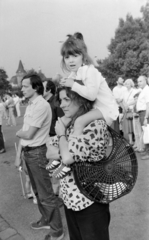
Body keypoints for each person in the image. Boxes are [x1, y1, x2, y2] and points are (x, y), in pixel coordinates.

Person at [47, 32, 118, 177]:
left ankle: (68, 161)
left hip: (105, 109)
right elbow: (70, 90)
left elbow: (91, 94)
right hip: (94, 108)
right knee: (64, 121)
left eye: (75, 56)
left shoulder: (90, 71)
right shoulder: (76, 73)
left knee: (78, 122)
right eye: (67, 57)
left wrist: (72, 84)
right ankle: (59, 156)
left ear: (83, 57)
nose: (71, 60)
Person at [47, 86, 110, 240]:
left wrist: (61, 136)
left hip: (91, 200)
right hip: (71, 198)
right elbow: (49, 150)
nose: (61, 105)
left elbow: (67, 158)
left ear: (81, 99)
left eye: (66, 99)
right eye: (61, 100)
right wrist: (65, 148)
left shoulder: (95, 125)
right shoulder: (72, 123)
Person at [15, 73, 64, 240]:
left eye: (25, 86)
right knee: (37, 192)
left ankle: (57, 231)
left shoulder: (41, 105)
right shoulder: (31, 104)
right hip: (29, 152)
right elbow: (26, 134)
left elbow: (28, 134)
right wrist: (19, 153)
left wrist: (18, 133)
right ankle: (46, 220)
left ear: (35, 87)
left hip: (37, 153)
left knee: (46, 194)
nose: (22, 89)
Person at [121, 79, 138, 144]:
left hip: (132, 110)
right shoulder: (124, 92)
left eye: (128, 83)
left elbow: (136, 100)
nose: (127, 85)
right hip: (126, 111)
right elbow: (123, 101)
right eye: (126, 83)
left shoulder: (134, 91)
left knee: (134, 126)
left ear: (131, 84)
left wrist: (128, 105)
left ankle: (136, 141)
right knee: (128, 127)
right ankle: (130, 141)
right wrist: (124, 107)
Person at [136, 75, 149, 160]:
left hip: (145, 113)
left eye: (140, 81)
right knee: (145, 132)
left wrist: (146, 117)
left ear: (145, 80)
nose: (138, 83)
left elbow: (148, 104)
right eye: (138, 81)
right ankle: (147, 150)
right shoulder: (143, 90)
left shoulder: (147, 90)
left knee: (147, 133)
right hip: (142, 113)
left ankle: (148, 153)